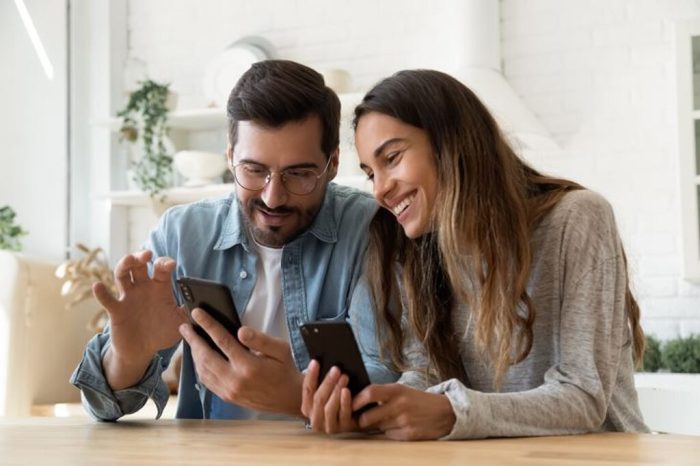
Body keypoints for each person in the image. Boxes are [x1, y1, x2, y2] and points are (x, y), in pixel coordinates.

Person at [301, 69, 649, 440]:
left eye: (393, 158)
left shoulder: (578, 219)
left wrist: (453, 412)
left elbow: (583, 397)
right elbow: (427, 373)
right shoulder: (419, 251)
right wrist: (379, 407)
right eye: (371, 174)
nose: (381, 191)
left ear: (451, 143)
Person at [71, 60, 396, 421]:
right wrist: (128, 358)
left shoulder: (371, 230)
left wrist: (295, 395)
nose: (273, 197)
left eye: (299, 174)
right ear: (230, 158)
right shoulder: (181, 235)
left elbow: (388, 383)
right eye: (254, 171)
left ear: (332, 163)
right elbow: (101, 406)